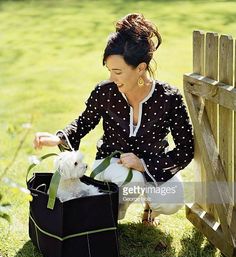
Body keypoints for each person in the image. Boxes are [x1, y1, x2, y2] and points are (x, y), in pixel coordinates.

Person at [33, 13, 194, 225]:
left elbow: (186, 149)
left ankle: (150, 206)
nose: (111, 78)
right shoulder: (105, 92)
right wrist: (59, 138)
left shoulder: (169, 97)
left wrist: (144, 164)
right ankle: (109, 217)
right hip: (111, 163)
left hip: (152, 162)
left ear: (140, 68)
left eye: (117, 71)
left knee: (172, 200)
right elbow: (84, 122)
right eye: (110, 71)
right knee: (131, 181)